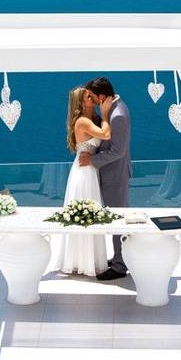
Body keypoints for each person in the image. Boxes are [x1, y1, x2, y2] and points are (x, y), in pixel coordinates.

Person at [79, 77, 132, 281]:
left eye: (92, 97)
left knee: (118, 219)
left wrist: (92, 160)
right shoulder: (113, 109)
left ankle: (120, 266)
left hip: (115, 175)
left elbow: (118, 151)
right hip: (111, 173)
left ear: (101, 97)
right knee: (115, 217)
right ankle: (120, 257)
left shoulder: (118, 115)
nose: (90, 100)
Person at [59, 86, 115, 276]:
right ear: (81, 103)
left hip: (90, 170)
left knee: (92, 215)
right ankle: (80, 261)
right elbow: (106, 134)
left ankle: (89, 259)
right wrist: (106, 113)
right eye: (88, 96)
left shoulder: (93, 119)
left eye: (91, 95)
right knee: (85, 214)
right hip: (83, 174)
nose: (92, 97)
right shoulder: (82, 122)